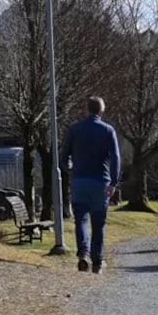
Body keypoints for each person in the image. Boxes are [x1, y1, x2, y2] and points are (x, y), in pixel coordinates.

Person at [63, 96, 121, 273]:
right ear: (101, 112)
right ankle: (97, 261)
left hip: (80, 181)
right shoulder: (108, 130)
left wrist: (70, 170)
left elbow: (63, 155)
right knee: (98, 223)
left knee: (80, 220)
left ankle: (83, 253)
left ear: (86, 110)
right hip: (100, 182)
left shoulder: (74, 130)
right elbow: (116, 157)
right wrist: (113, 182)